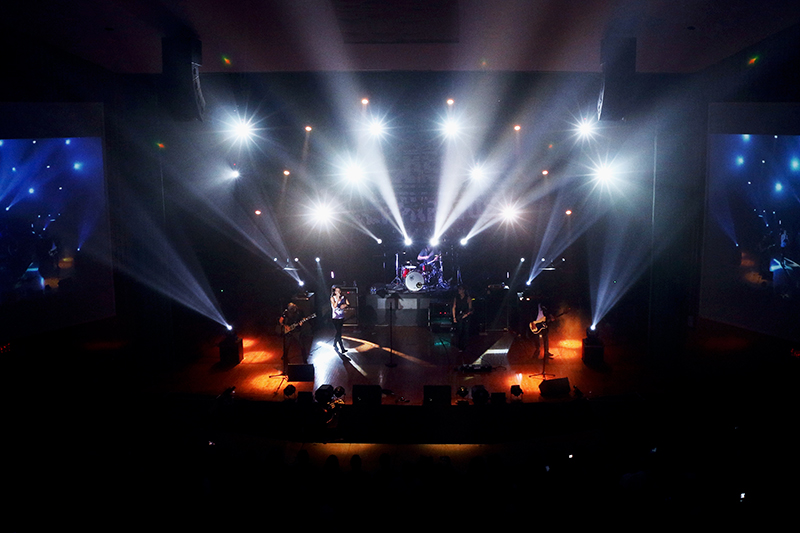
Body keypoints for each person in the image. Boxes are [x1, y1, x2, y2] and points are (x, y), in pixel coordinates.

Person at [452, 285, 473, 351]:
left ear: (463, 290)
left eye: (460, 289)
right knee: (459, 330)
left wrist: (466, 315)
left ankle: (465, 345)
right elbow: (454, 307)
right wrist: (454, 317)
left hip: (466, 316)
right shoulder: (456, 298)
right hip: (459, 316)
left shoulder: (467, 298)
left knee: (465, 331)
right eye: (458, 289)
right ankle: (459, 345)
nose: (459, 291)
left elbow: (470, 309)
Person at [330, 285, 350, 353]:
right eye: (336, 291)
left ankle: (335, 344)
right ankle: (342, 348)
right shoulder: (332, 298)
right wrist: (338, 299)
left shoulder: (344, 297)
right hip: (335, 318)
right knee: (339, 332)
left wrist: (345, 305)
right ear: (335, 292)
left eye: (339, 291)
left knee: (338, 332)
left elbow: (348, 303)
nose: (338, 292)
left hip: (341, 317)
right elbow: (334, 306)